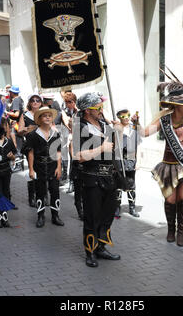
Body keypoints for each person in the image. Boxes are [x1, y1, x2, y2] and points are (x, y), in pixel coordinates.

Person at [134, 80, 183, 246]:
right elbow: (145, 133)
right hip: (168, 164)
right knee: (170, 200)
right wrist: (136, 123)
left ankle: (180, 232)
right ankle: (170, 229)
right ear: (175, 105)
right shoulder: (164, 120)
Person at [72, 92, 121, 268]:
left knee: (107, 216)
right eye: (97, 107)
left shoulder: (103, 124)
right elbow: (78, 156)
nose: (101, 109)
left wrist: (118, 130)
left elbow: (116, 148)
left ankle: (101, 247)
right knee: (92, 217)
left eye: (101, 106)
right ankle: (90, 252)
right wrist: (101, 148)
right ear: (87, 110)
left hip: (109, 178)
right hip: (92, 179)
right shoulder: (79, 127)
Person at [25, 106, 64, 228]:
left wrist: (59, 167)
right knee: (40, 191)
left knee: (55, 190)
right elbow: (30, 152)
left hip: (52, 165)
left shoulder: (56, 134)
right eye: (44, 115)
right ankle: (40, 216)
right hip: (39, 166)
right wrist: (31, 169)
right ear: (39, 119)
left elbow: (58, 152)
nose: (47, 117)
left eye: (49, 116)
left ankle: (55, 216)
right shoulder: (33, 135)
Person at [114, 108, 142, 218]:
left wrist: (138, 161)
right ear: (119, 118)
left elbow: (138, 145)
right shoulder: (116, 129)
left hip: (130, 159)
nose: (126, 118)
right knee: (118, 185)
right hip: (119, 160)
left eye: (128, 116)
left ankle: (132, 207)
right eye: (123, 116)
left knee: (131, 184)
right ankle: (117, 207)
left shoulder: (134, 129)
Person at [0, 118, 17, 228]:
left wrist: (12, 157)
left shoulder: (8, 142)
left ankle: (4, 215)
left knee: (6, 192)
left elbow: (14, 157)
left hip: (6, 171)